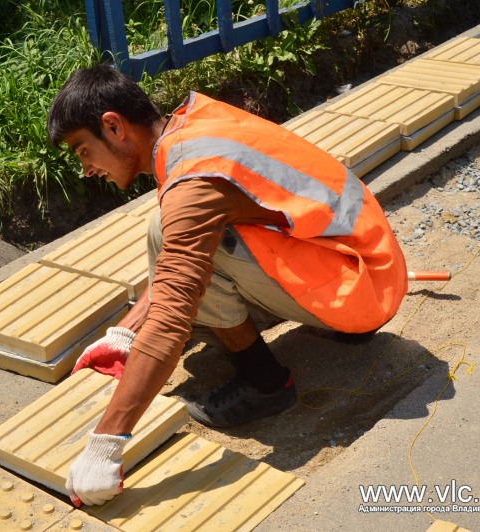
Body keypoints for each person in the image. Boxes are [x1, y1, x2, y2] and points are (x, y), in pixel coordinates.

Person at [46, 64, 407, 507]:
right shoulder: (193, 125)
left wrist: (105, 445)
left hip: (362, 287)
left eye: (84, 151)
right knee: (176, 237)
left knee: (177, 244)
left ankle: (266, 383)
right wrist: (125, 334)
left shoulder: (192, 183)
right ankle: (322, 322)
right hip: (365, 256)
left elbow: (171, 317)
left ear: (114, 126)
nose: (86, 169)